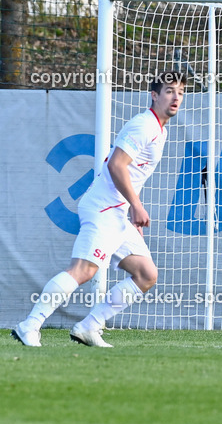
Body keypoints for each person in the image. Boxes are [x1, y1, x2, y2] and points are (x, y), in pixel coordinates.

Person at [11, 72, 186, 348]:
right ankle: (29, 325)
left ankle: (89, 327)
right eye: (169, 91)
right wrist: (136, 205)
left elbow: (132, 173)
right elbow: (116, 165)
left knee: (146, 274)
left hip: (118, 213)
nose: (176, 97)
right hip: (104, 209)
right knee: (83, 270)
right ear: (154, 95)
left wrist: (132, 211)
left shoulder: (160, 130)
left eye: (180, 92)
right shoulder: (144, 125)